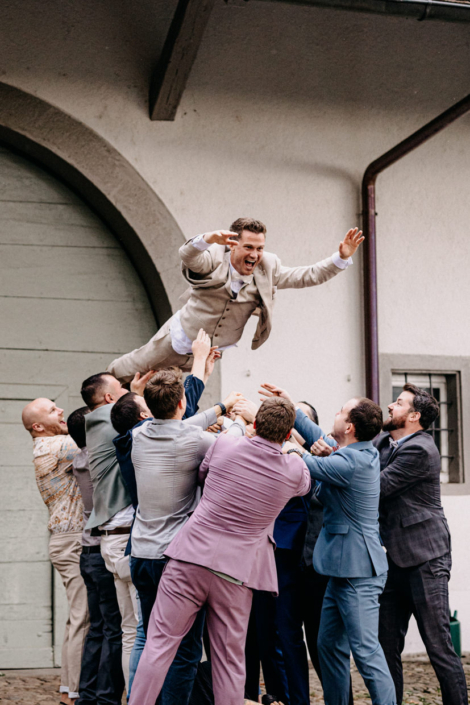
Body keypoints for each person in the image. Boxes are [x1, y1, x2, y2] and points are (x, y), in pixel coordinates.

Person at [129, 396, 311, 705]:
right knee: (230, 661)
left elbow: (202, 475)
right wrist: (291, 445)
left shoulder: (226, 444)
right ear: (287, 432)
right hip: (236, 573)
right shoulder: (294, 468)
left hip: (189, 558)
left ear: (255, 425)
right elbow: (304, 484)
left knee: (159, 645)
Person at [260, 383, 396, 705]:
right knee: (328, 647)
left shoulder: (352, 462)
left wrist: (285, 441)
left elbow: (305, 462)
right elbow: (318, 438)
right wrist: (289, 407)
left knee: (366, 652)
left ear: (349, 426)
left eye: (340, 412)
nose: (335, 414)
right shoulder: (352, 453)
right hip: (339, 571)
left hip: (360, 572)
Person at [107, 218, 364, 380]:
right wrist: (207, 239)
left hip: (210, 352)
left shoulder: (268, 268)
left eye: (260, 248)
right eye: (249, 247)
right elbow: (188, 256)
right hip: (182, 335)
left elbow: (307, 276)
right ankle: (102, 387)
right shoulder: (215, 258)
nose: (255, 254)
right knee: (133, 370)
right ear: (233, 245)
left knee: (174, 396)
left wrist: (341, 257)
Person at [128, 368, 244, 705]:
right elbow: (231, 443)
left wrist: (221, 406)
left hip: (140, 554)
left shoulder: (137, 435)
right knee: (184, 649)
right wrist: (232, 417)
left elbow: (177, 425)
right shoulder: (197, 441)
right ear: (182, 403)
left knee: (153, 643)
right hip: (176, 560)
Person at [375, 384, 468, 705]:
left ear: (414, 416)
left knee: (438, 645)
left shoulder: (421, 450)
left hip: (426, 557)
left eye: (398, 403)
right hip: (393, 560)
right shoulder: (385, 443)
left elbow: (378, 485)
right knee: (385, 644)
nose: (390, 406)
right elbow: (349, 448)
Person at [81, 370, 153, 693]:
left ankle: (133, 696)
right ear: (110, 398)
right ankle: (141, 696)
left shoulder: (96, 422)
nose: (125, 389)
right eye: (121, 388)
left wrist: (133, 391)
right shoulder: (108, 424)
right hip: (124, 539)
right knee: (140, 629)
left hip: (111, 539)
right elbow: (164, 424)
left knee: (128, 629)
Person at [21, 398, 89, 705]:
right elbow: (103, 439)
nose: (60, 410)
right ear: (37, 427)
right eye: (51, 410)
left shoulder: (54, 445)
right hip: (71, 539)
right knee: (82, 616)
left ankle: (68, 687)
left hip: (70, 538)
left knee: (80, 616)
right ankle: (72, 692)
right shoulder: (55, 447)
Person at [67, 407, 125, 705]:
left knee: (98, 629)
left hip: (87, 551)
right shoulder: (98, 459)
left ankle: (87, 697)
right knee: (114, 631)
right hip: (100, 554)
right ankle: (105, 698)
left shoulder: (80, 458)